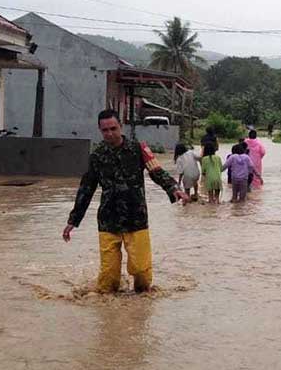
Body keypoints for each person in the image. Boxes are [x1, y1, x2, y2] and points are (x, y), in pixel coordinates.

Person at [63, 109, 189, 293]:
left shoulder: (138, 149)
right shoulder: (97, 156)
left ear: (121, 126)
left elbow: (157, 171)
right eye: (105, 130)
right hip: (108, 220)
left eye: (113, 128)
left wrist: (174, 189)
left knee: (142, 276)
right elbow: (86, 188)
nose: (110, 134)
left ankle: (139, 313)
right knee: (108, 280)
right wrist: (73, 221)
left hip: (136, 218)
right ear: (100, 130)